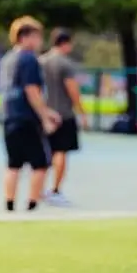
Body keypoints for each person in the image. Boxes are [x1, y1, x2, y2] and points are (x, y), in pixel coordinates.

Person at [0, 17, 60, 213]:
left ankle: (9, 203)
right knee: (40, 163)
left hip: (9, 116)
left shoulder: (8, 59)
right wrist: (45, 116)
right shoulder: (28, 59)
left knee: (13, 164)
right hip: (26, 117)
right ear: (26, 37)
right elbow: (32, 90)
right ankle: (32, 204)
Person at [40, 29, 87, 205]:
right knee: (61, 152)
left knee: (46, 152)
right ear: (65, 43)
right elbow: (72, 90)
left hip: (45, 112)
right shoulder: (65, 64)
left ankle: (38, 188)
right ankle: (56, 189)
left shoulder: (40, 61)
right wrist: (82, 112)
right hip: (63, 113)